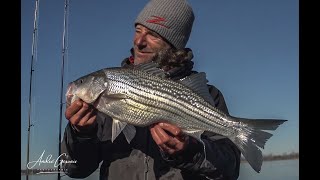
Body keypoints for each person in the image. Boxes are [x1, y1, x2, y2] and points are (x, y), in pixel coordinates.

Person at [61, 0, 241, 179]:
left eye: (153, 34)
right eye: (138, 31)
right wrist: (81, 135)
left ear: (173, 44)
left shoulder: (209, 96)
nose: (139, 41)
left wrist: (190, 151)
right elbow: (74, 170)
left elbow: (229, 171)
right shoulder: (102, 102)